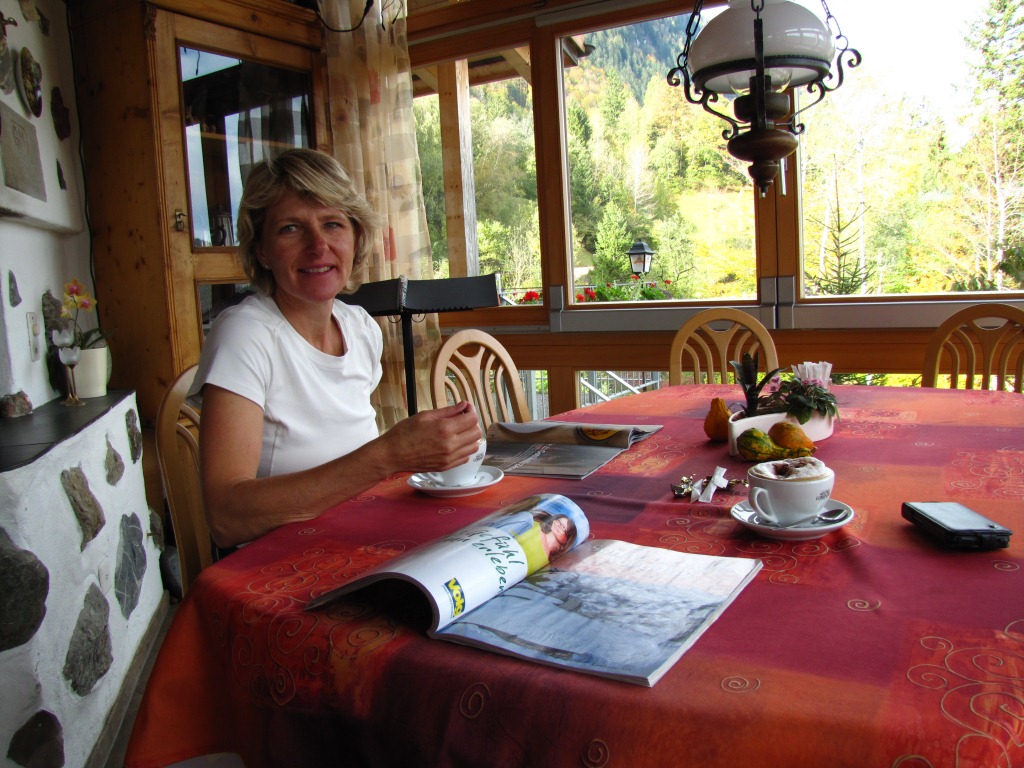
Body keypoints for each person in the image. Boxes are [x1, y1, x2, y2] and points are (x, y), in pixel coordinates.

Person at [190, 148, 483, 548]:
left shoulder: (359, 328)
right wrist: (389, 454)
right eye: (290, 229)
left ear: (356, 237)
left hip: (362, 540)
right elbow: (226, 518)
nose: (318, 246)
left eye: (332, 224)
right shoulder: (245, 335)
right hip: (284, 565)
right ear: (261, 250)